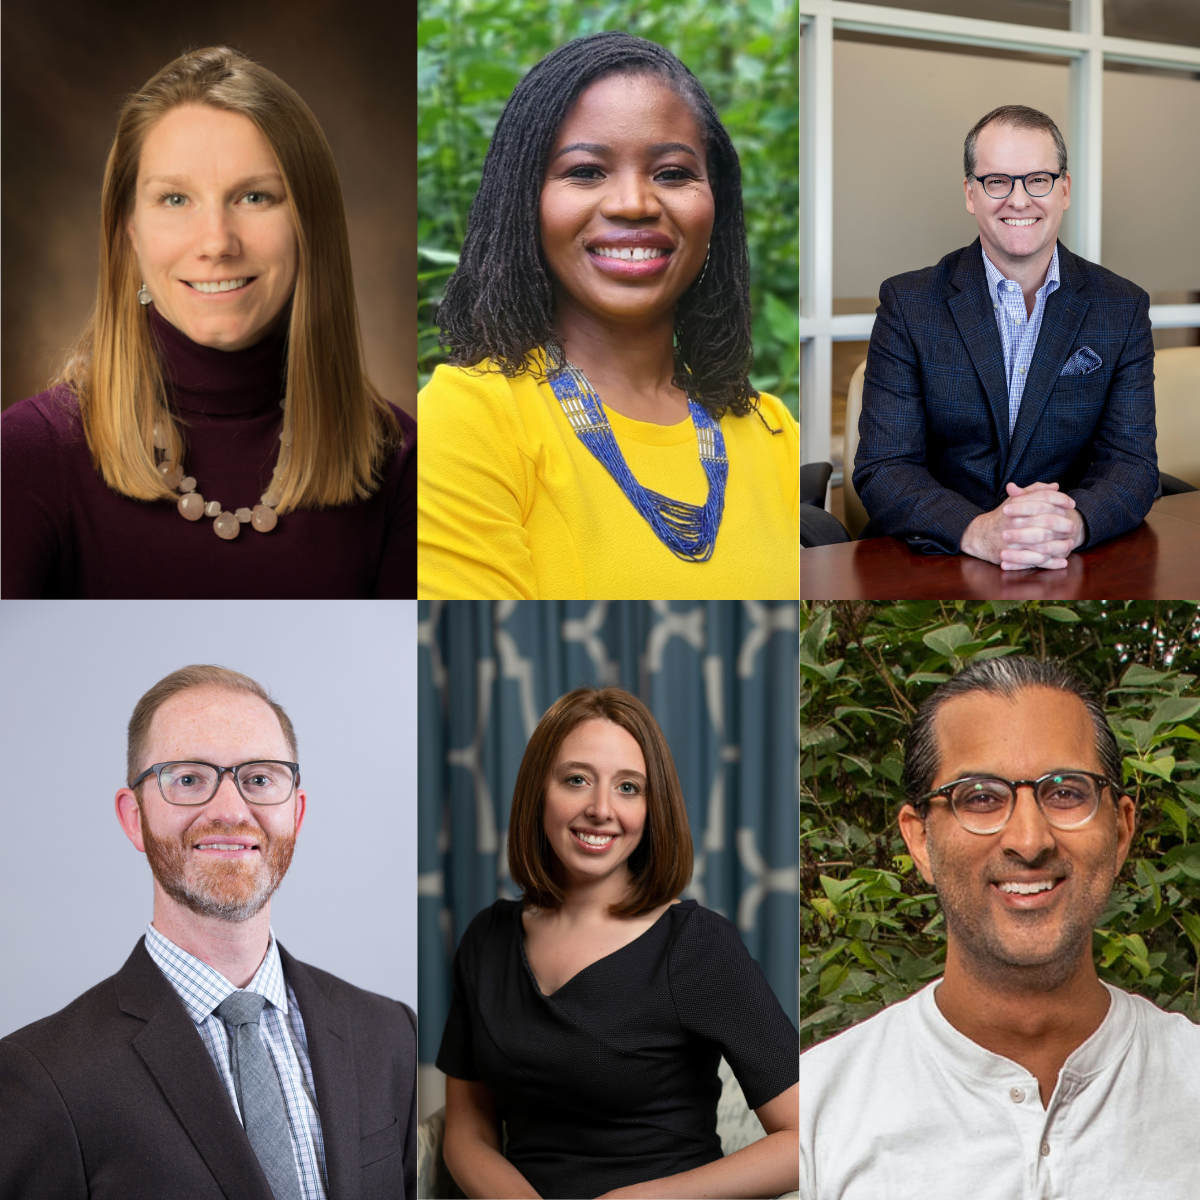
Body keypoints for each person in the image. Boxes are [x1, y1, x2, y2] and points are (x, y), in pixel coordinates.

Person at [1, 47, 416, 599]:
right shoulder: (24, 457)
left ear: (309, 222)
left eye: (254, 196)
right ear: (128, 229)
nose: (217, 242)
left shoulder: (399, 462)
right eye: (175, 198)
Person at [0, 665, 417, 1199]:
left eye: (260, 779)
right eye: (189, 779)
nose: (229, 810)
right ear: (134, 818)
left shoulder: (389, 1034)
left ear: (297, 812)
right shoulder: (43, 1079)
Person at [798, 656, 1200, 1200]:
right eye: (981, 798)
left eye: (1066, 792)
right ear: (919, 840)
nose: (1030, 840)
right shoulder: (819, 1109)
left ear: (1121, 828)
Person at [418, 32, 798, 599]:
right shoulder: (469, 419)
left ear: (715, 206)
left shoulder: (771, 429)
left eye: (672, 173)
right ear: (524, 201)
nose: (634, 203)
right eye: (586, 171)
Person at [437, 686, 799, 1199]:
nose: (601, 809)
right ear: (540, 790)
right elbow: (466, 1131)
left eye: (629, 788)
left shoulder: (697, 945)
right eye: (577, 780)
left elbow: (804, 1139)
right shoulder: (486, 940)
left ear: (654, 809)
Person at [853, 105, 1156, 568]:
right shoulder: (908, 304)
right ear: (971, 193)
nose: (1018, 200)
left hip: (1064, 559)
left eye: (1038, 179)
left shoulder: (1122, 307)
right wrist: (977, 531)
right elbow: (884, 467)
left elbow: (1132, 464)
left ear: (1065, 189)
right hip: (940, 558)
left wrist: (1071, 524)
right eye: (997, 181)